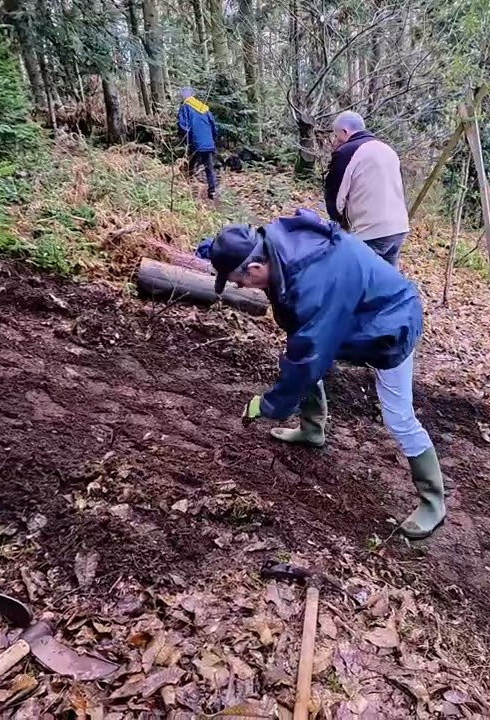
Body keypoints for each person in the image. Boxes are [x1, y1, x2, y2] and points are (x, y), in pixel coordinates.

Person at [201, 208, 446, 540]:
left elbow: (309, 356)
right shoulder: (276, 242)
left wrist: (267, 405)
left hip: (391, 324)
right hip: (356, 312)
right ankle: (312, 429)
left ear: (256, 268)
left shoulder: (314, 283)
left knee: (398, 416)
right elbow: (304, 343)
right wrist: (211, 250)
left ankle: (433, 502)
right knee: (301, 351)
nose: (242, 287)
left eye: (240, 281)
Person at [323, 111, 410, 267]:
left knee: (351, 277)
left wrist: (338, 222)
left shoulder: (347, 151)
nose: (336, 142)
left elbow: (335, 194)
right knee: (384, 281)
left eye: (337, 137)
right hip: (399, 227)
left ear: (345, 131)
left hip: (371, 231)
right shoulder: (387, 150)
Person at [177, 86, 219, 199]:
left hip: (195, 143)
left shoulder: (185, 107)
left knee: (191, 165)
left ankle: (189, 187)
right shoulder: (203, 107)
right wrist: (213, 139)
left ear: (184, 96)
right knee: (209, 167)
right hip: (208, 143)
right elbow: (214, 126)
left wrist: (186, 140)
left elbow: (183, 126)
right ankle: (212, 190)